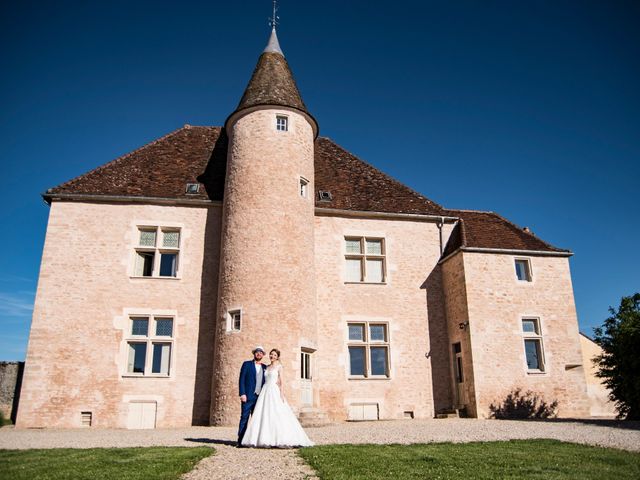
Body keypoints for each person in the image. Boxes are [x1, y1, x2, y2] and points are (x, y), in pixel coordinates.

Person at [241, 348, 314, 448]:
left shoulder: (279, 367)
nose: (272, 356)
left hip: (274, 391)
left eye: (275, 355)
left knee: (277, 413)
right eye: (271, 354)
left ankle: (280, 438)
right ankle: (262, 438)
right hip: (265, 391)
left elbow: (282, 382)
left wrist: (281, 394)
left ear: (277, 357)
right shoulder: (266, 367)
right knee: (264, 414)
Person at [237, 346, 267, 446]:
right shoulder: (247, 364)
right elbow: (241, 379)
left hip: (259, 397)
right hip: (248, 396)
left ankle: (253, 441)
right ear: (254, 353)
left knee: (256, 420)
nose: (259, 354)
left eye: (261, 352)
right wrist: (242, 393)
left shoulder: (265, 367)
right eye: (257, 352)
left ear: (263, 355)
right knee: (244, 418)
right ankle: (240, 441)